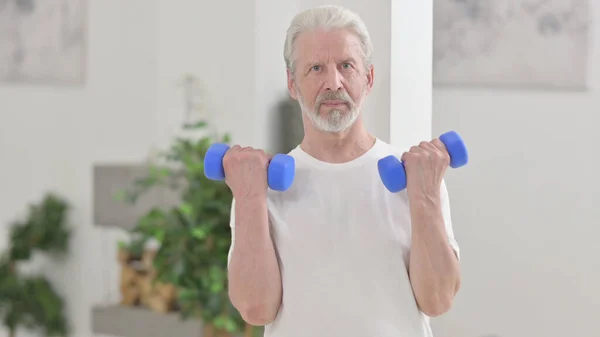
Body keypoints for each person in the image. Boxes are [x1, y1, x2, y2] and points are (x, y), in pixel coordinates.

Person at [223, 5, 461, 337]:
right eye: (316, 68)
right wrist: (249, 197)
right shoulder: (259, 187)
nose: (333, 82)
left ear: (369, 78)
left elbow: (437, 300)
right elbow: (255, 308)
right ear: (293, 84)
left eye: (346, 66)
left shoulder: (419, 177)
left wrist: (424, 197)